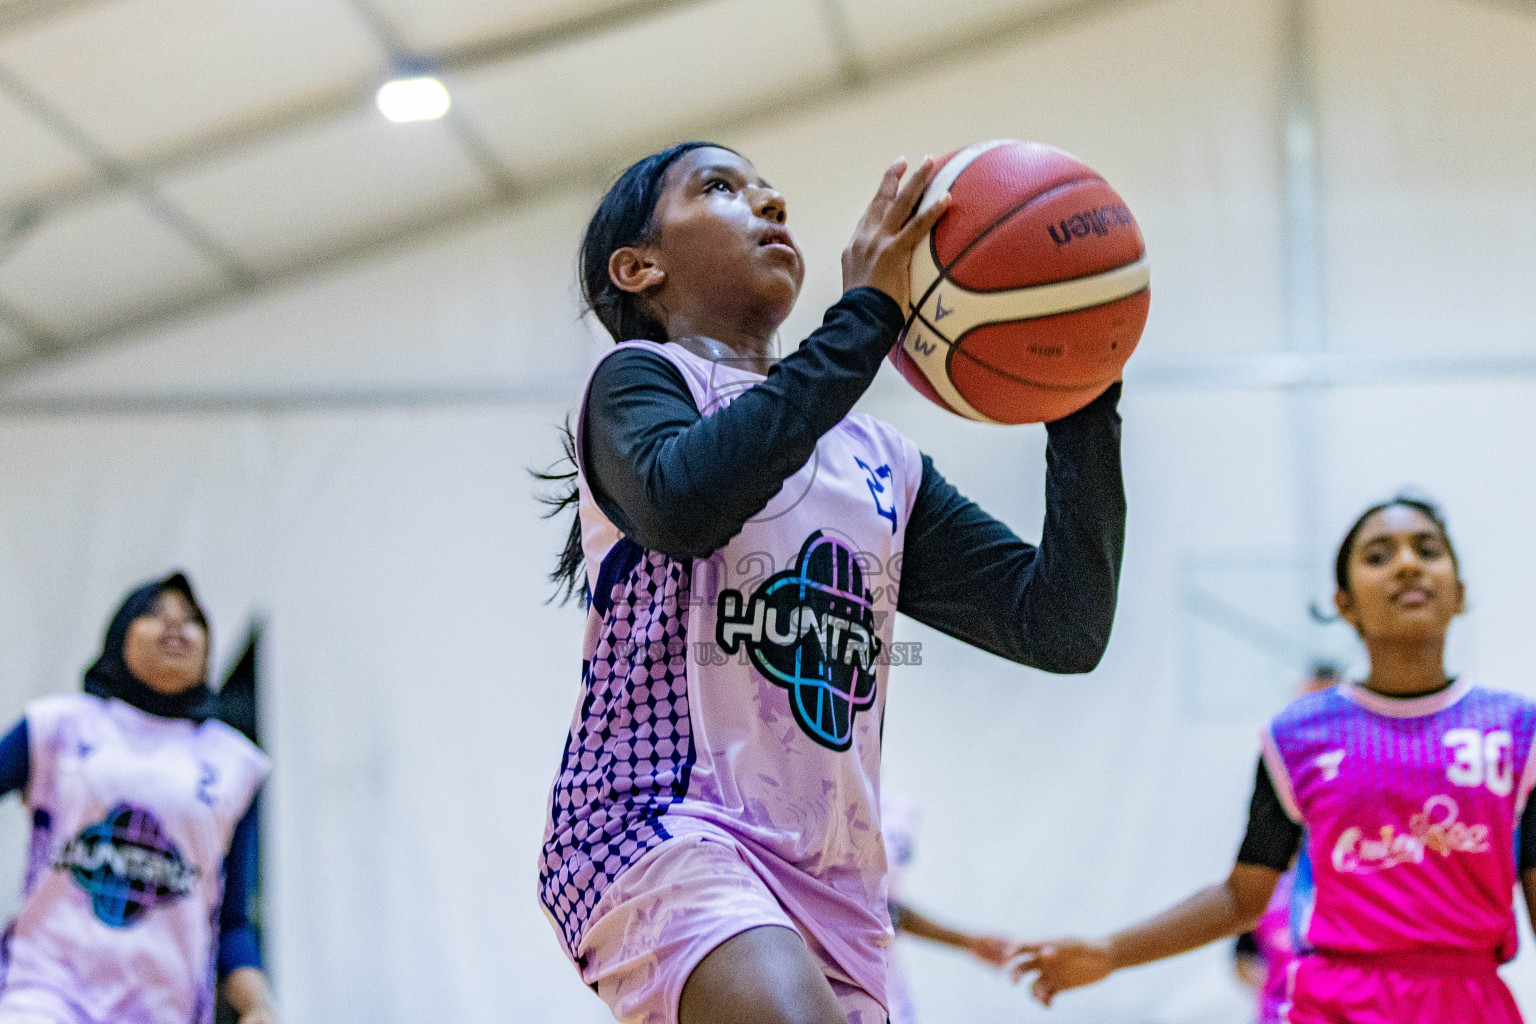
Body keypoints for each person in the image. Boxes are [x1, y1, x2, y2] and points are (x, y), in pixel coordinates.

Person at [534, 140, 1126, 1024]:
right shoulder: (641, 382)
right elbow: (688, 505)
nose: (769, 203)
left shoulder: (880, 461)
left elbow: (1059, 625)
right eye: (723, 189)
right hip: (655, 820)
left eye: (771, 189)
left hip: (832, 876)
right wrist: (866, 318)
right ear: (639, 267)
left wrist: (1082, 398)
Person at [1012, 498, 1536, 1024]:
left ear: (1461, 592)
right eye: (1378, 555)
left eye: (1427, 549)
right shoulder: (1297, 737)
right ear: (1344, 602)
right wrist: (1111, 952)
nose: (1406, 564)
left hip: (1473, 1004)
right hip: (1338, 1004)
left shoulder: (1519, 731)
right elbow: (1242, 898)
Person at [0, 573, 275, 1024]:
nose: (175, 629)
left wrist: (257, 1005)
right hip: (46, 990)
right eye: (154, 615)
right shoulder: (57, 726)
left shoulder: (235, 764)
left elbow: (233, 922)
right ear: (118, 634)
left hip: (164, 1007)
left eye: (191, 621)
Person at [1230, 664, 1337, 1024]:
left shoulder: (1372, 852)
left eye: (1328, 706)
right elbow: (1242, 950)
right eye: (1307, 706)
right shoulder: (1268, 866)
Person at [880, 790, 1017, 1024]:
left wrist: (970, 942)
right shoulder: (812, 806)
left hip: (884, 986)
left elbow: (886, 910)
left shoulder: (898, 810)